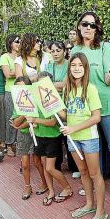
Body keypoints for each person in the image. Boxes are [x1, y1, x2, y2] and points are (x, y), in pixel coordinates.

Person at [71, 11, 110, 203]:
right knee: (93, 147)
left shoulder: (105, 47)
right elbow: (74, 79)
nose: (88, 28)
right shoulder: (75, 50)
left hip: (107, 103)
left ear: (97, 28)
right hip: (86, 107)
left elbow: (109, 80)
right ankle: (93, 186)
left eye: (92, 25)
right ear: (79, 27)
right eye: (85, 24)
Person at [60, 52, 108, 219]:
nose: (77, 68)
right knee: (83, 172)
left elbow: (96, 117)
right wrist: (54, 108)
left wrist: (73, 128)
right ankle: (89, 204)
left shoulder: (91, 88)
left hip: (88, 138)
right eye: (73, 65)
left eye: (80, 65)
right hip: (73, 139)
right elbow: (67, 115)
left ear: (85, 68)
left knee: (95, 174)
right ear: (69, 68)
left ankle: (101, 211)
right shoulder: (67, 89)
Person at [27, 75, 73, 206]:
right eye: (37, 83)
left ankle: (67, 187)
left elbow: (53, 122)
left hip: (52, 138)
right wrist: (33, 124)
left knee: (49, 168)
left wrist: (35, 120)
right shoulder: (35, 99)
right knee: (44, 165)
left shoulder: (53, 98)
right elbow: (35, 118)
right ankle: (51, 191)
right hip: (39, 136)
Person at [44, 41, 80, 177]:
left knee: (68, 135)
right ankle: (57, 165)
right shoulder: (48, 65)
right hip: (51, 103)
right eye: (52, 51)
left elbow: (65, 83)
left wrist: (50, 84)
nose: (55, 53)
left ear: (64, 51)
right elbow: (44, 83)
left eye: (58, 50)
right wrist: (54, 85)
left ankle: (74, 167)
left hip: (66, 102)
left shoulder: (69, 65)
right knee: (55, 135)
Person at [11, 76, 49, 200]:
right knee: (26, 164)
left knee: (38, 162)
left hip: (37, 133)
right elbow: (16, 123)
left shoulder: (37, 99)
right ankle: (27, 186)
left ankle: (45, 184)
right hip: (24, 135)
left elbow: (35, 120)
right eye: (18, 88)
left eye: (23, 87)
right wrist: (23, 112)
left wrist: (24, 123)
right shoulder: (18, 103)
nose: (21, 90)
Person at [0, 34, 21, 157]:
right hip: (10, 91)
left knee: (23, 117)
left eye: (20, 41)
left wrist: (16, 72)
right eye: (16, 41)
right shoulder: (5, 57)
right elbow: (7, 74)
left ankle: (19, 143)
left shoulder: (23, 56)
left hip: (23, 90)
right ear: (10, 43)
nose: (18, 43)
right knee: (10, 118)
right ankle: (9, 144)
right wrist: (20, 72)